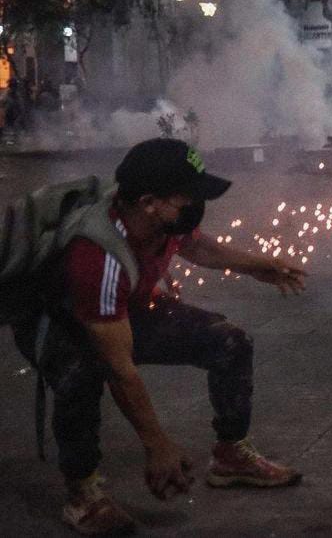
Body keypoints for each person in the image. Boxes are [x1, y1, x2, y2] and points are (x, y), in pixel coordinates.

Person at [12, 138, 308, 535]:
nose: (196, 205)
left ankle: (231, 456)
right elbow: (121, 370)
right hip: (64, 323)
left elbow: (199, 247)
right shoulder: (97, 255)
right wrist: (157, 444)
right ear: (150, 201)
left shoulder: (161, 219)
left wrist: (258, 265)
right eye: (187, 197)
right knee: (81, 378)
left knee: (229, 341)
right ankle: (83, 493)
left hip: (123, 306)